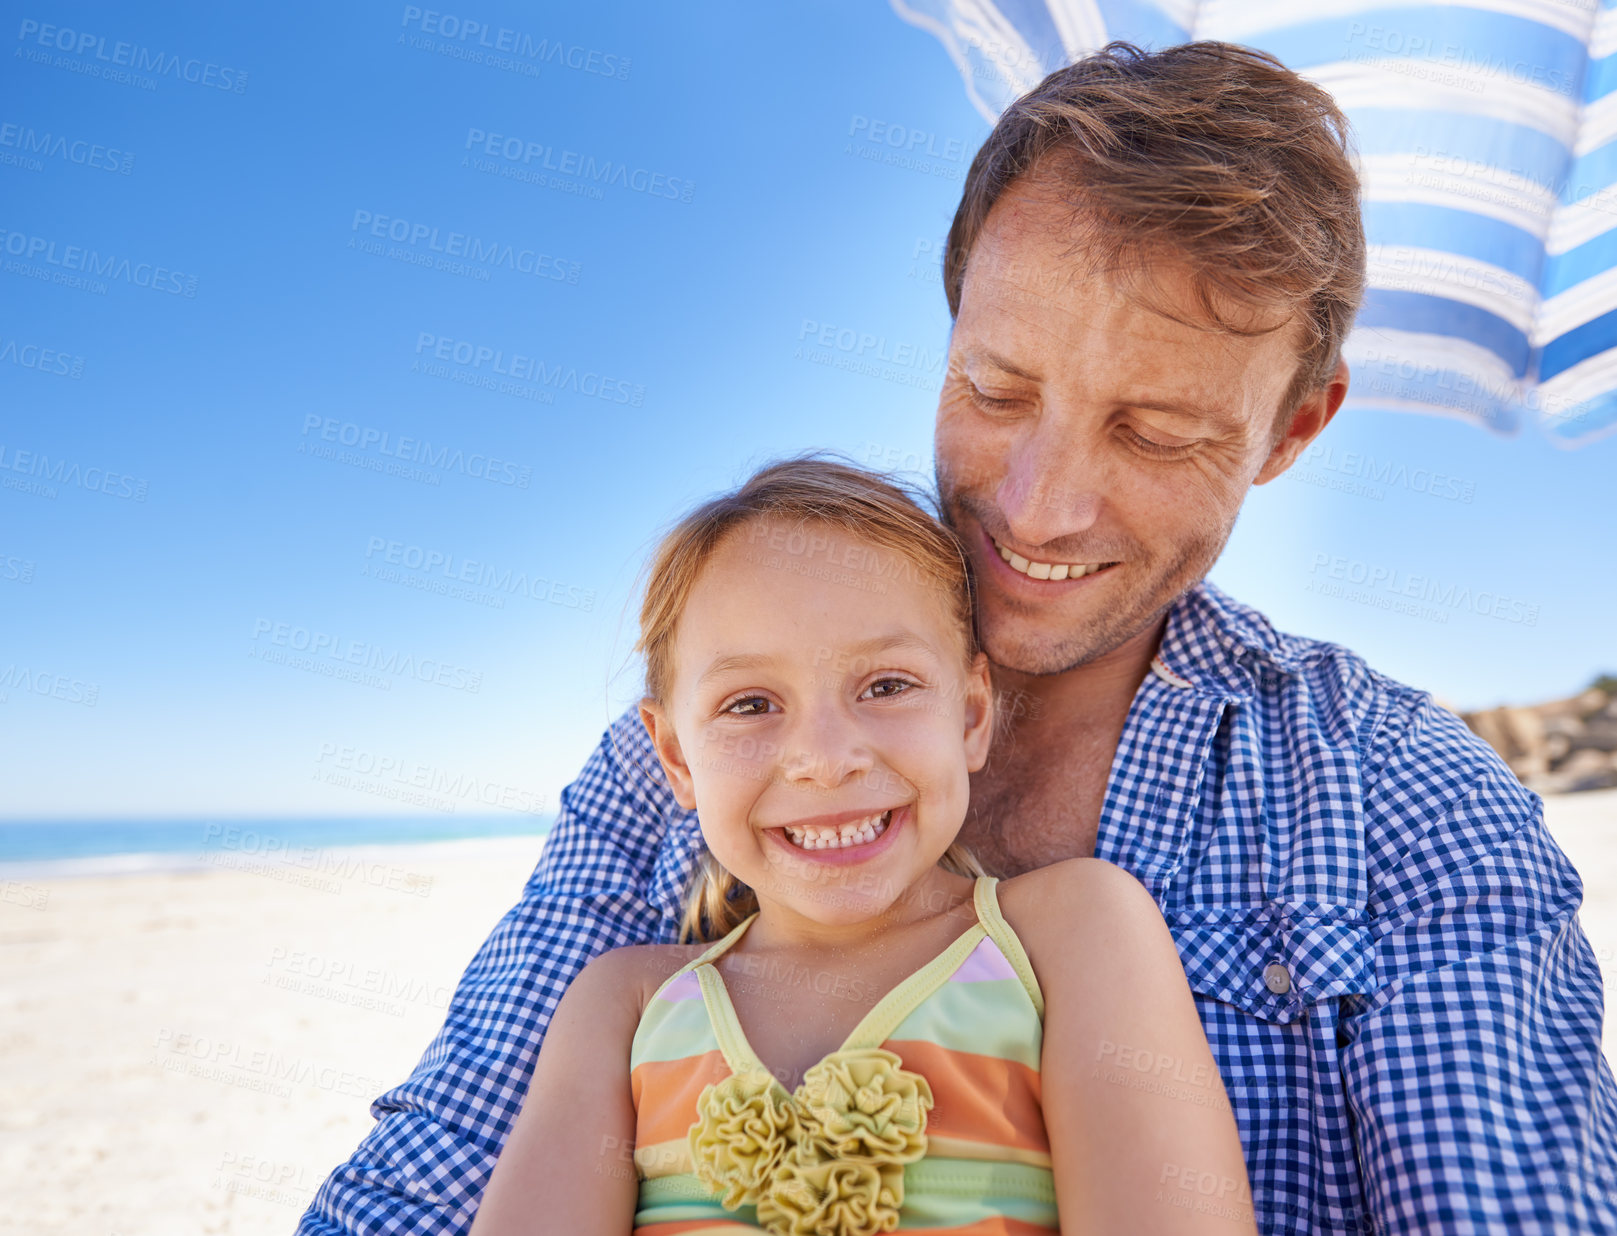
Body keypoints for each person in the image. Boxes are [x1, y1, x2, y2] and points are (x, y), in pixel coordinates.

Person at [299, 41, 1617, 1236]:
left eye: (1157, 432)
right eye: (997, 390)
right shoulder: (672, 774)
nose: (1042, 505)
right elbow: (441, 1166)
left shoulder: (1407, 805)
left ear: (1290, 432)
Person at [466, 458, 1255, 1234]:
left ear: (972, 715)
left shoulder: (1071, 929)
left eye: (885, 686)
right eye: (750, 704)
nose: (826, 757)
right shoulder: (623, 1004)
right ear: (675, 759)